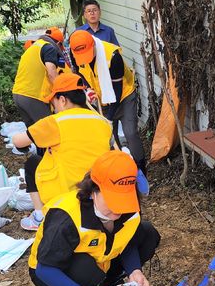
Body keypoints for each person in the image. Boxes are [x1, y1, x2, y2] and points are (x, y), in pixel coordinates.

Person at [27, 150, 160, 286]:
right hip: (52, 271)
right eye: (112, 201)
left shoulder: (130, 209)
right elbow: (45, 268)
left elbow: (127, 242)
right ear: (93, 190)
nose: (117, 211)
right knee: (85, 267)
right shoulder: (66, 217)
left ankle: (109, 284)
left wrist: (134, 270)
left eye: (123, 200)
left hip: (101, 259)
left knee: (148, 233)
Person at [11, 72, 112, 231]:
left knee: (32, 163)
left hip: (68, 192)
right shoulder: (102, 121)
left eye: (54, 103)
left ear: (63, 100)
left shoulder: (55, 122)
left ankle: (39, 217)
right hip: (98, 188)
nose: (54, 108)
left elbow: (18, 141)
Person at [69, 30, 146, 175]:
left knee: (130, 133)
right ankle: (117, 170)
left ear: (93, 45)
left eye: (87, 54)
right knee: (109, 137)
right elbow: (81, 73)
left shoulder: (112, 56)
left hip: (123, 96)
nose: (84, 59)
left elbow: (116, 92)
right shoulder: (75, 55)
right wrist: (88, 90)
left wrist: (109, 118)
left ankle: (140, 168)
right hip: (101, 98)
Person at [12, 26, 68, 129]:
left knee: (35, 133)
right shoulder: (49, 48)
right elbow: (52, 73)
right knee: (50, 131)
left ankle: (26, 145)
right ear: (59, 44)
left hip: (18, 95)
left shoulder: (33, 48)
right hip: (33, 97)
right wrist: (63, 92)